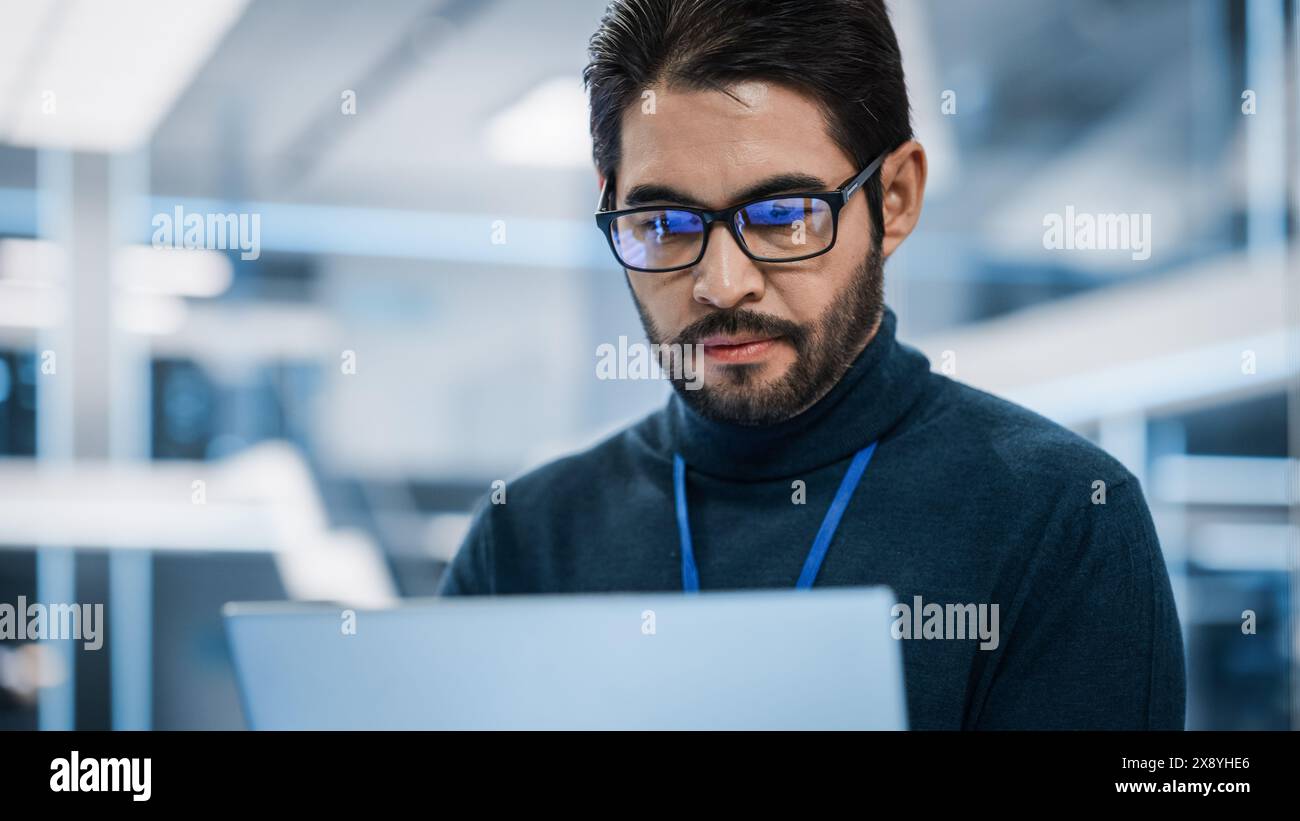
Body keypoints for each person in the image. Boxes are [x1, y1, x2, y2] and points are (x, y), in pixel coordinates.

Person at [439, 0, 1185, 730]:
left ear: (893, 199)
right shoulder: (527, 540)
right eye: (663, 224)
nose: (723, 283)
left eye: (783, 215)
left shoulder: (1060, 520)